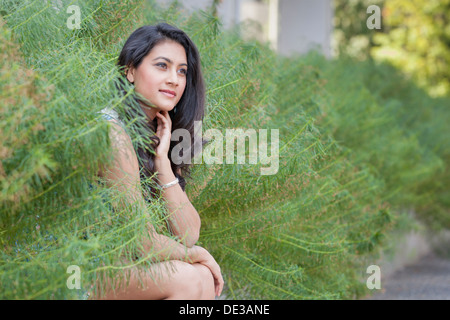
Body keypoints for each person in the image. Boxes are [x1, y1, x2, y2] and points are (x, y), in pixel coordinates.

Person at [95, 23, 223, 300]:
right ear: (130, 70)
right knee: (188, 278)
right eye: (162, 66)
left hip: (122, 269)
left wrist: (162, 162)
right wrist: (197, 255)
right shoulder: (110, 132)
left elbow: (188, 233)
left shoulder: (156, 135)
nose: (174, 80)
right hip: (76, 273)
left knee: (199, 276)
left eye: (182, 71)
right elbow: (140, 240)